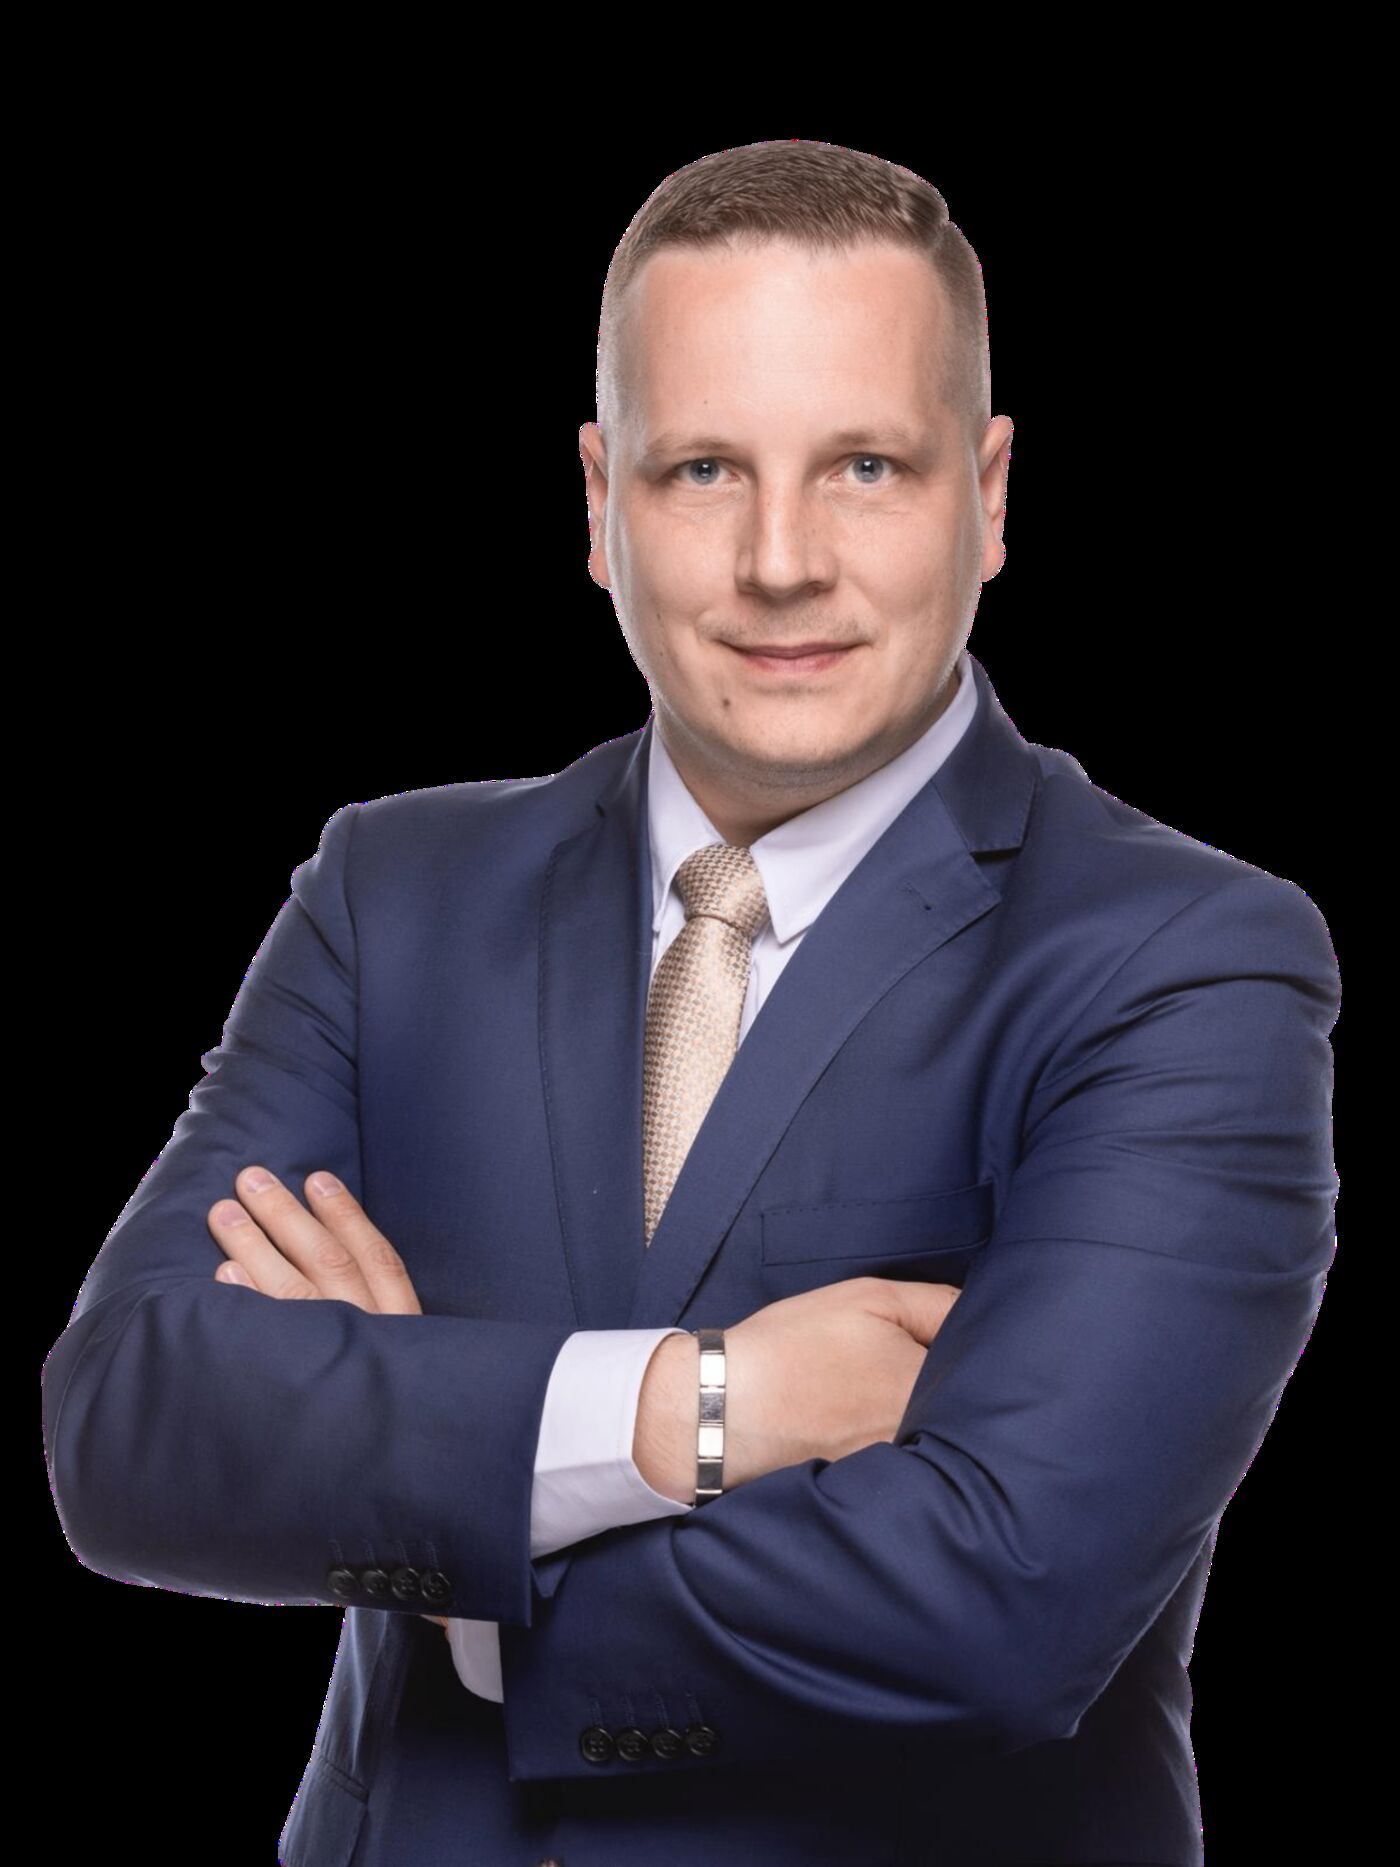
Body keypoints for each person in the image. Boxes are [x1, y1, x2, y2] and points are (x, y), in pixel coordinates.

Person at [41, 140, 1339, 1867]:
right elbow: (130, 1426)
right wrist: (695, 1405)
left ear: (989, 493)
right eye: (706, 468)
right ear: (601, 500)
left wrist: (463, 1533)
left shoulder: (1180, 962)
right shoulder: (392, 898)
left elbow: (1001, 1607)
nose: (781, 559)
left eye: (865, 466)